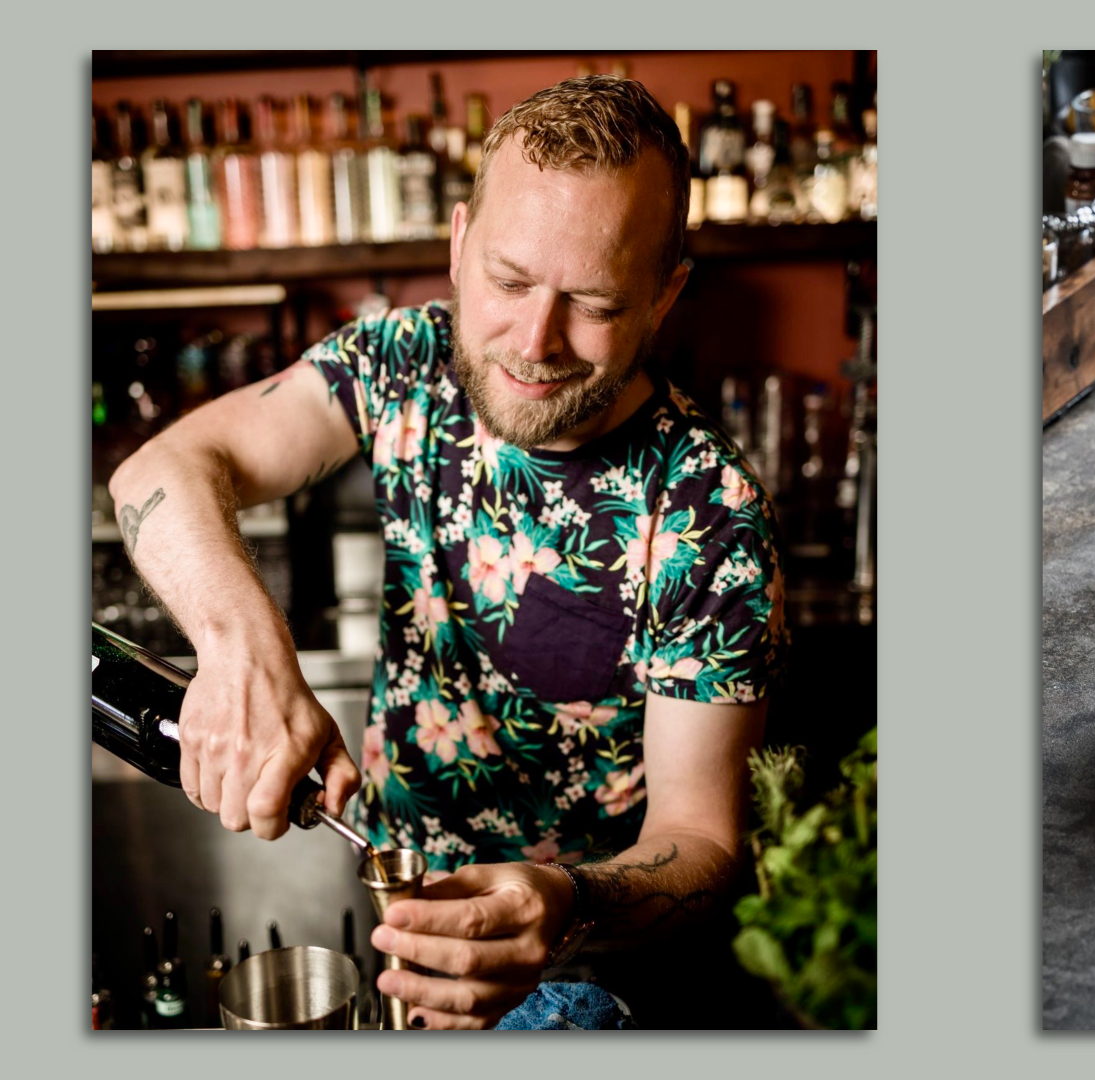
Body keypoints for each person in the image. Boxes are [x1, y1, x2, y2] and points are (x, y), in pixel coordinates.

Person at [108, 75, 785, 1029]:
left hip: (600, 975)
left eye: (591, 301)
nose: (534, 340)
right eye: (508, 282)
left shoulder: (708, 508)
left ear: (664, 294)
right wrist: (241, 650)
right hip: (401, 920)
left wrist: (568, 906)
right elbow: (162, 469)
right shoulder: (403, 364)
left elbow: (701, 841)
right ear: (459, 245)